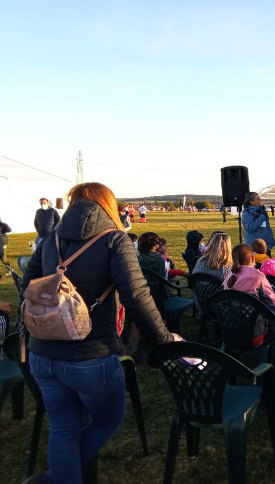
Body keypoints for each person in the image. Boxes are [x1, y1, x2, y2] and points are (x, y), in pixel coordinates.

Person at [20, 182, 179, 484]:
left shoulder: (50, 238)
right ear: (107, 204)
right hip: (90, 356)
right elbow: (136, 296)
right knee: (108, 420)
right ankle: (57, 478)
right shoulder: (114, 239)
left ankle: (58, 477)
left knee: (63, 428)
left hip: (43, 353)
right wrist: (163, 338)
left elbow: (27, 288)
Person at [223, 244, 275, 363]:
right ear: (253, 258)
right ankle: (261, 371)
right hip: (254, 335)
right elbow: (274, 305)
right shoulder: (258, 277)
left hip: (230, 331)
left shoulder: (227, 279)